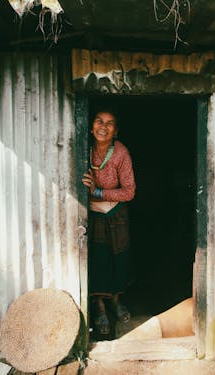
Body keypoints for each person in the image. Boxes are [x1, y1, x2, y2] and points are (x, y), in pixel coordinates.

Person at [82, 109, 136, 335]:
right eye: (99, 121)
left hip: (115, 215)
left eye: (110, 123)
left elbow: (129, 191)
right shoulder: (83, 148)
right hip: (91, 214)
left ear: (116, 131)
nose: (103, 127)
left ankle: (115, 300)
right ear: (91, 125)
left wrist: (98, 191)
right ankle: (100, 307)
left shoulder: (121, 153)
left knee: (118, 258)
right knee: (98, 261)